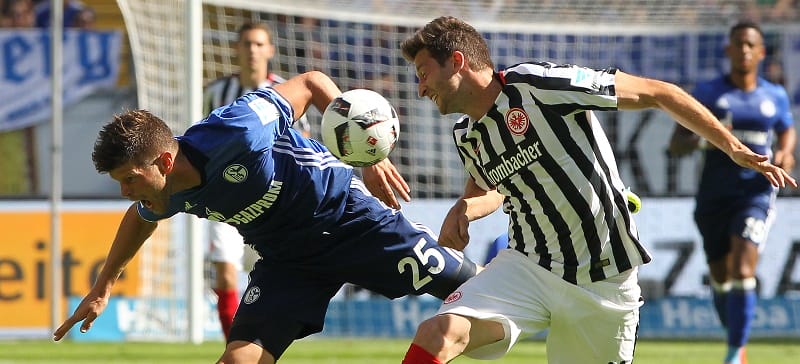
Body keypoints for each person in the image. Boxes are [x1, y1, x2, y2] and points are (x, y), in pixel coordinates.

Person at [397, 16, 795, 364]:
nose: (420, 88)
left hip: (604, 280)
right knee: (438, 333)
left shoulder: (538, 85)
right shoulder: (467, 135)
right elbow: (495, 188)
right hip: (527, 266)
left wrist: (734, 147)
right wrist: (464, 209)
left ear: (457, 61)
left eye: (423, 72)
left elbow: (659, 93)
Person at [52, 70, 479, 364]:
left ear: (164, 161)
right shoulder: (164, 193)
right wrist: (102, 287)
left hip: (351, 219)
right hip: (287, 261)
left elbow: (312, 83)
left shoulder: (237, 130)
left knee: (477, 291)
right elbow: (139, 218)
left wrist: (365, 154)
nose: (127, 192)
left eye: (130, 179)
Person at [668, 20, 796, 364]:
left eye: (750, 45)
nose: (743, 50)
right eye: (737, 44)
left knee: (742, 268)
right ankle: (735, 334)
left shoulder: (775, 95)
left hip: (755, 194)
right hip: (713, 197)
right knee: (722, 277)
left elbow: (787, 130)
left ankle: (735, 353)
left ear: (760, 52)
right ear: (727, 50)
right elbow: (676, 145)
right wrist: (696, 137)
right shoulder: (709, 94)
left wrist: (786, 152)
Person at [201, 21, 313, 341]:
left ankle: (263, 342)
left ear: (270, 51)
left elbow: (302, 145)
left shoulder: (286, 92)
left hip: (272, 200)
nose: (252, 50)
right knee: (225, 271)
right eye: (247, 44)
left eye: (259, 44)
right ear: (237, 49)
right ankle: (233, 349)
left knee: (271, 277)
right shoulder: (216, 93)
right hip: (225, 197)